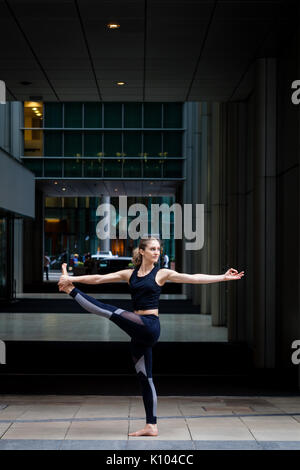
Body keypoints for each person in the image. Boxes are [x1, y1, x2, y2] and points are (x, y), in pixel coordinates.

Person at [57, 236, 244, 437]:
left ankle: (70, 291)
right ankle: (151, 425)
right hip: (138, 333)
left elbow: (193, 277)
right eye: (153, 249)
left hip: (149, 326)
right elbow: (99, 278)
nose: (157, 252)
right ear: (142, 251)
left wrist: (222, 277)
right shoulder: (130, 274)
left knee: (109, 311)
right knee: (145, 378)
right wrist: (74, 277)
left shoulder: (161, 273)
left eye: (158, 249)